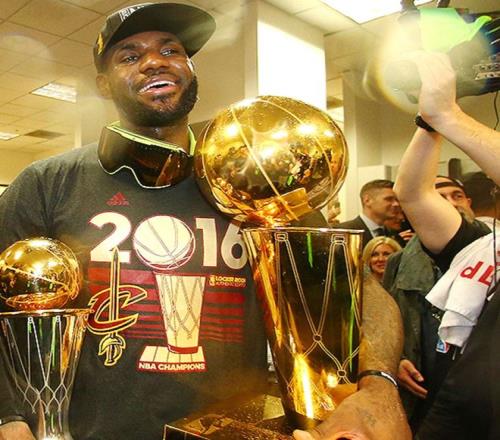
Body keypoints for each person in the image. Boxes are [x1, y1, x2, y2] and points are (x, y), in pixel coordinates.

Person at [0, 3, 410, 440]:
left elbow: (358, 291)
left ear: (190, 69)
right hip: (89, 431)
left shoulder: (253, 179)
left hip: (230, 428)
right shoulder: (49, 182)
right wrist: (8, 415)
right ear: (103, 83)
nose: (154, 62)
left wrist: (379, 384)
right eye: (130, 56)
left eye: (170, 50)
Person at [394, 50, 500, 440]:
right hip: (455, 410)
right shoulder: (482, 245)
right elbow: (413, 193)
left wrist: (450, 115)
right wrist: (430, 121)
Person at [383, 174, 489, 434]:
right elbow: (385, 318)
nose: (450, 203)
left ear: (469, 202)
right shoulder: (398, 262)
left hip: (477, 391)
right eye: (439, 198)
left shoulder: (490, 251)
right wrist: (395, 359)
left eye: (457, 196)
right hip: (420, 388)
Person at [336, 179, 403, 247]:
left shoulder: (395, 235)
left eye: (397, 200)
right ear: (367, 200)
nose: (396, 204)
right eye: (389, 199)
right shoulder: (343, 233)